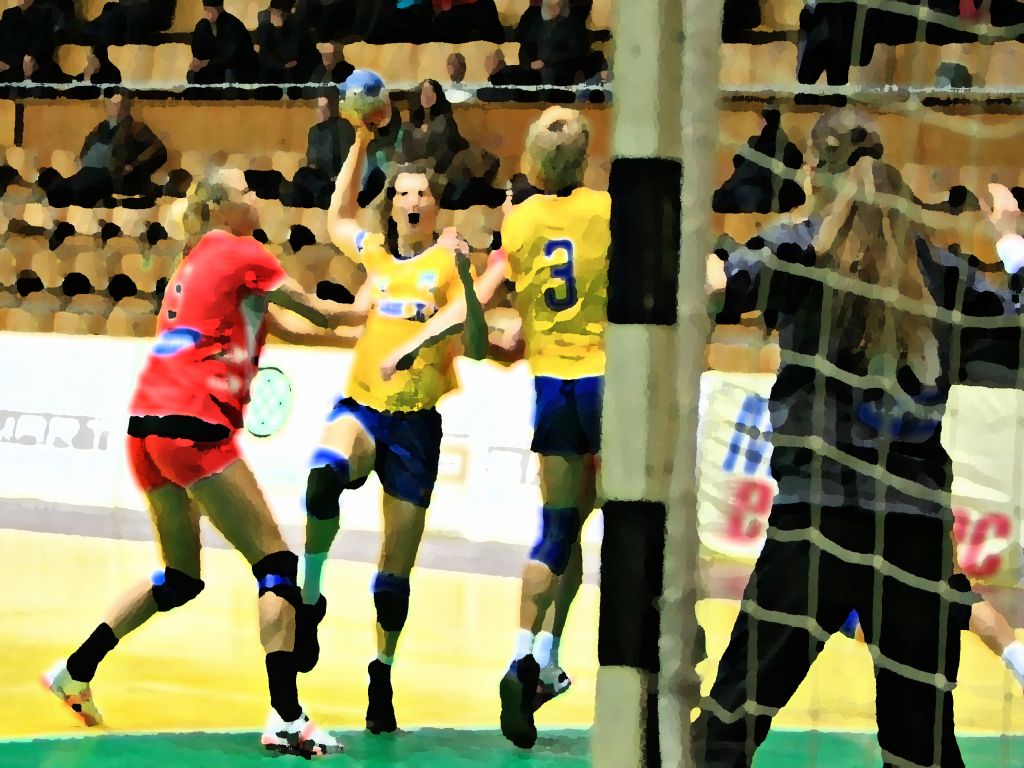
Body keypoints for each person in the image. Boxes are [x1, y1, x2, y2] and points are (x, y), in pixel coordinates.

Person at [694, 109, 1024, 768]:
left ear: (810, 170)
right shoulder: (943, 269)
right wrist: (1012, 239)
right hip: (914, 527)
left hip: (816, 518)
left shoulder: (798, 246)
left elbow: (716, 288)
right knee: (920, 744)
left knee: (730, 726)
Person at [42, 169, 355, 758]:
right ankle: (287, 717)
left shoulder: (197, 262)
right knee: (277, 564)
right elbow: (320, 313)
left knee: (181, 578)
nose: (257, 198)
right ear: (218, 208)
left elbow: (291, 330)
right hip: (194, 424)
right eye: (246, 192)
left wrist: (361, 342)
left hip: (146, 428)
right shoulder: (242, 252)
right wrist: (388, 316)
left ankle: (75, 671)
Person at [292, 99, 489, 736]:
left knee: (392, 572)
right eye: (402, 192)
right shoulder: (374, 252)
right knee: (323, 479)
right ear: (393, 202)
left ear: (435, 206)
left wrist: (420, 336)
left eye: (422, 194)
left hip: (414, 424)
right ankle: (311, 598)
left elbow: (469, 326)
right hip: (362, 407)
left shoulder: (451, 263)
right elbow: (336, 216)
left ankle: (381, 673)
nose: (411, 201)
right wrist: (357, 138)